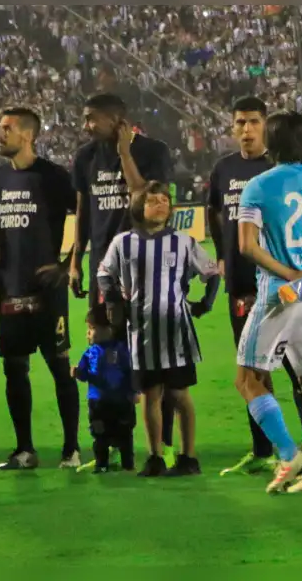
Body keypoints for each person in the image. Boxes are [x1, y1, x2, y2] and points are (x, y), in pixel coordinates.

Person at [234, 110, 302, 495]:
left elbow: (246, 246)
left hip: (280, 294)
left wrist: (288, 272)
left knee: (247, 379)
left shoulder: (259, 186)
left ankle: (287, 452)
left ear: (272, 142)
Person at [69, 93, 179, 469]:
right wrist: (75, 259)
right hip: (104, 269)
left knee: (150, 358)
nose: (87, 126)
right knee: (107, 354)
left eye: (92, 119)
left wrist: (125, 153)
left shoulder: (154, 151)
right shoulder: (85, 157)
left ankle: (159, 443)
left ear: (117, 119)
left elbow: (143, 195)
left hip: (144, 269)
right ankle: (110, 440)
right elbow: (84, 211)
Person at [207, 96, 302, 477]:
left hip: (281, 283)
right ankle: (264, 448)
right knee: (252, 370)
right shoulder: (224, 170)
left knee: (298, 369)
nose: (245, 129)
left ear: (266, 126)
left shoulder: (278, 168)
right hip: (241, 286)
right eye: (239, 123)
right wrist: (221, 253)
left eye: (252, 122)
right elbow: (214, 212)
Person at [97, 181, 220, 477]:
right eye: (152, 200)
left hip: (177, 332)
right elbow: (104, 273)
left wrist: (206, 303)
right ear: (139, 206)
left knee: (179, 395)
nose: (160, 204)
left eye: (165, 199)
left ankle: (188, 456)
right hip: (141, 332)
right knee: (151, 394)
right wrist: (114, 303)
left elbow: (212, 272)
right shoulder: (122, 242)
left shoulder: (183, 242)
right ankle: (155, 456)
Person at [0, 107, 80, 470]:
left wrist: (66, 264)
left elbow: (83, 218)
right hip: (10, 291)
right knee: (14, 369)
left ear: (28, 134)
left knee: (59, 368)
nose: (0, 133)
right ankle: (24, 449)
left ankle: (71, 449)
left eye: (6, 128)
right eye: (0, 127)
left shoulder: (53, 176)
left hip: (47, 293)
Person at [73, 305, 136, 474]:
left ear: (108, 329)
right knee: (99, 434)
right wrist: (77, 372)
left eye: (92, 328)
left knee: (125, 433)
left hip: (121, 400)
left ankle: (128, 463)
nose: (88, 333)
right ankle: (101, 463)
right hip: (98, 402)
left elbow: (131, 371)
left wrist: (134, 391)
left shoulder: (122, 350)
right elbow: (84, 374)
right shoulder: (89, 353)